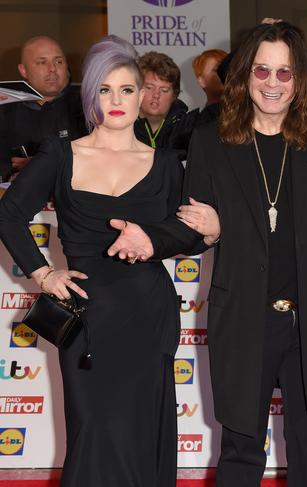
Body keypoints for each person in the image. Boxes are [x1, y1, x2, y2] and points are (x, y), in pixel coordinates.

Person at [105, 21, 307, 487]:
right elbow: (194, 227)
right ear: (244, 74)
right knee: (240, 453)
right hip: (243, 316)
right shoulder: (210, 140)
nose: (273, 83)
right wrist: (152, 240)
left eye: (284, 72)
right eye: (262, 71)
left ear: (299, 78)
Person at [0, 35, 190, 486]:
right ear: (90, 95)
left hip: (148, 314)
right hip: (89, 319)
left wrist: (175, 236)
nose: (117, 100)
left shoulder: (165, 165)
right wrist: (43, 273)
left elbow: (190, 234)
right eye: (105, 89)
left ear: (142, 95)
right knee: (95, 431)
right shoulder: (62, 154)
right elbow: (8, 215)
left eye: (127, 89)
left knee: (143, 432)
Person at [0, 36, 87, 181]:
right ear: (23, 70)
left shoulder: (88, 106)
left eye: (58, 61)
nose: (52, 69)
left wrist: (43, 164)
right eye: (42, 62)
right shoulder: (5, 110)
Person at [134, 51, 193, 155]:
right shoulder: (120, 127)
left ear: (174, 95)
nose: (156, 95)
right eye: (149, 87)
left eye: (164, 90)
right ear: (136, 89)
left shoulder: (189, 130)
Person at [192, 48, 228, 125]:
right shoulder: (200, 123)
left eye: (228, 67)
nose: (226, 73)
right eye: (216, 70)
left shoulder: (249, 111)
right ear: (201, 81)